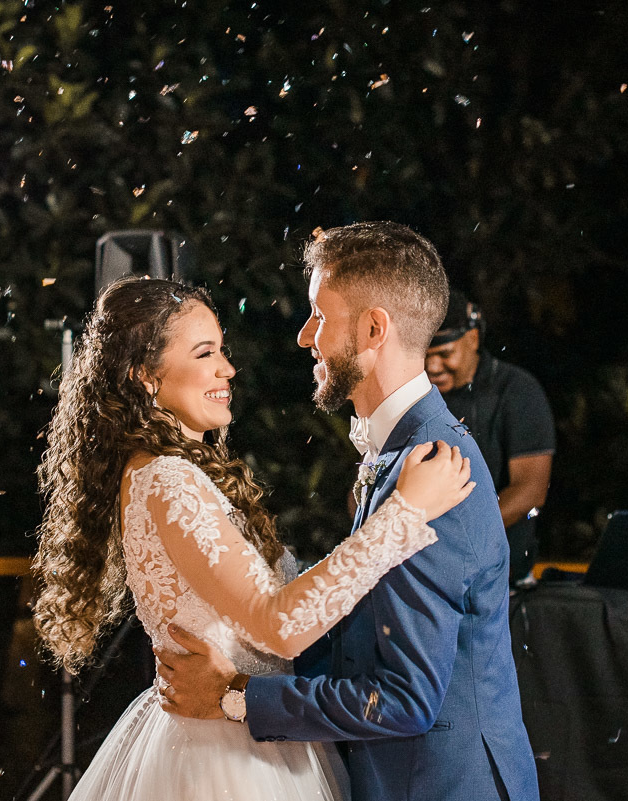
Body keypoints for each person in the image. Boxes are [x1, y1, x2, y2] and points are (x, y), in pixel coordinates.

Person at [32, 275, 476, 801]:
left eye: (222, 350)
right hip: (225, 757)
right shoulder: (169, 480)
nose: (227, 369)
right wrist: (404, 515)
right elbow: (281, 626)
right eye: (204, 354)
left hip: (234, 732)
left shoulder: (163, 471)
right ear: (145, 376)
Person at [157, 223, 540, 801]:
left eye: (317, 315)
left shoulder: (436, 470)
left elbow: (405, 700)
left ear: (372, 328)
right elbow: (361, 642)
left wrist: (235, 697)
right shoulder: (403, 456)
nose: (304, 336)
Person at [424, 290, 555, 585]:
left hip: (498, 578)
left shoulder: (517, 390)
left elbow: (530, 490)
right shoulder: (413, 395)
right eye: (425, 356)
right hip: (425, 576)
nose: (432, 368)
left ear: (473, 339)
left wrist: (448, 537)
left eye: (445, 354)